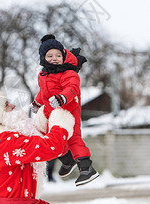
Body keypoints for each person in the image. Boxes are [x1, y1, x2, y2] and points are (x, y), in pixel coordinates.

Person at [0, 89, 75, 204]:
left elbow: (30, 144)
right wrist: (61, 123)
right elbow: (50, 148)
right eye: (6, 105)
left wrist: (43, 120)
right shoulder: (5, 142)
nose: (13, 106)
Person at [30, 34, 99, 186]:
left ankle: (87, 168)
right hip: (51, 111)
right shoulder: (43, 75)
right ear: (43, 58)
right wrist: (36, 103)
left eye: (58, 55)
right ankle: (67, 159)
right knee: (50, 138)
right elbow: (43, 93)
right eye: (50, 56)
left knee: (73, 137)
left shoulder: (69, 73)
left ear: (64, 56)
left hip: (68, 109)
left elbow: (72, 89)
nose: (55, 58)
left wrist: (63, 98)